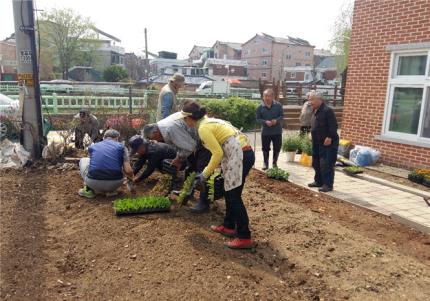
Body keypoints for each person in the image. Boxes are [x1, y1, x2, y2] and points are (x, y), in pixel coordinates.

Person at [181, 101, 255, 249]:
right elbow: (220, 152)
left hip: (240, 154)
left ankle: (244, 236)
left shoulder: (203, 128)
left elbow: (217, 153)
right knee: (230, 193)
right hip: (240, 153)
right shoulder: (208, 121)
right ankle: (228, 226)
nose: (183, 121)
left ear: (190, 118)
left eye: (184, 118)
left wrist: (204, 175)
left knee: (234, 196)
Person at [143, 111, 212, 213]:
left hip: (205, 140)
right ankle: (188, 192)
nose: (154, 141)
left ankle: (204, 203)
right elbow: (182, 144)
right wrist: (178, 158)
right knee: (190, 167)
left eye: (151, 138)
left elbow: (189, 147)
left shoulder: (169, 129)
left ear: (155, 132)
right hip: (195, 141)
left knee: (202, 170)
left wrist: (179, 159)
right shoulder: (162, 126)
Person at [78, 129, 133, 198]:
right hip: (115, 184)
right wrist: (131, 179)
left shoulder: (94, 146)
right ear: (117, 138)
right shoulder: (122, 147)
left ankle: (88, 190)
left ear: (104, 137)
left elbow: (93, 163)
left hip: (93, 182)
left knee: (84, 160)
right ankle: (111, 191)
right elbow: (128, 170)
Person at [307, 91, 339, 192]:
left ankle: (328, 185)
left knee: (326, 164)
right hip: (317, 142)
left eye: (311, 99)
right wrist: (310, 133)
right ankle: (318, 181)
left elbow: (334, 125)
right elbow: (315, 124)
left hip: (328, 142)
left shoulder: (327, 110)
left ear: (319, 99)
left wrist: (329, 137)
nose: (309, 102)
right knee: (316, 162)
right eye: (309, 99)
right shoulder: (315, 110)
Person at [256, 88, 283, 170]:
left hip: (277, 131)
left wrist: (276, 120)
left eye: (268, 96)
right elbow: (258, 119)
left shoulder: (278, 105)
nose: (267, 98)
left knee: (277, 147)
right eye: (265, 96)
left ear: (273, 97)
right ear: (263, 97)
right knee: (265, 148)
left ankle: (274, 163)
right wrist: (265, 122)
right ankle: (265, 163)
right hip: (265, 132)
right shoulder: (260, 107)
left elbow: (282, 116)